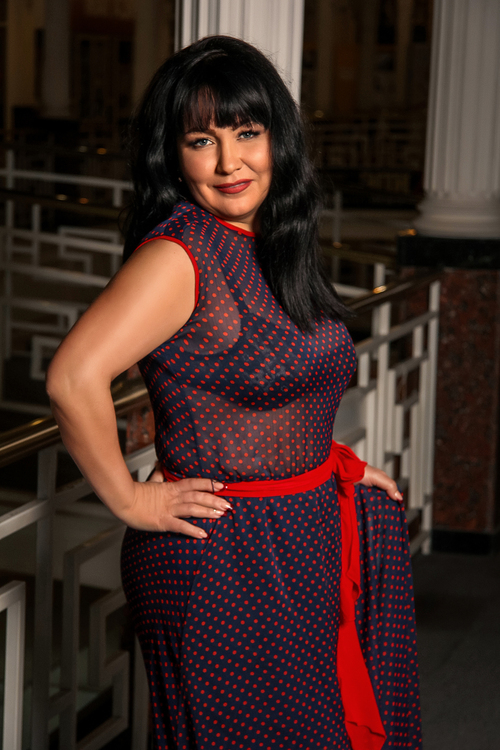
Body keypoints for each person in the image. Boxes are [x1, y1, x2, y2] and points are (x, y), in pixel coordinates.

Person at [47, 36, 421, 750]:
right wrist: (130, 500)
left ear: (279, 137)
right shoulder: (179, 253)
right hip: (224, 557)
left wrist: (331, 465)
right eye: (201, 141)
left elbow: (275, 390)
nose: (229, 163)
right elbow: (71, 377)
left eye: (247, 133)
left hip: (297, 535)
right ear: (172, 155)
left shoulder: (272, 242)